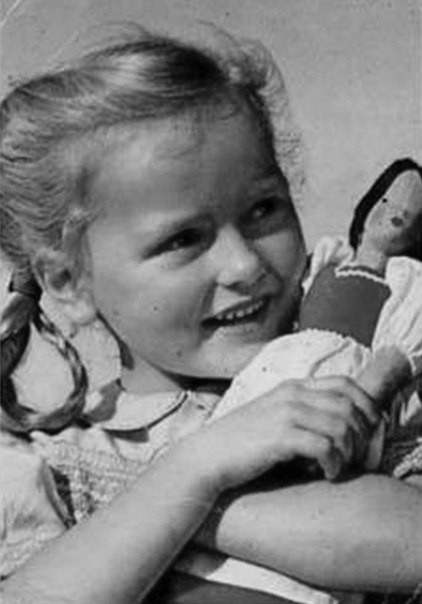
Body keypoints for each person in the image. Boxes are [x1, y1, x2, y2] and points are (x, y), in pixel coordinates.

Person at [0, 28, 421, 604]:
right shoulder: (54, 465)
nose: (244, 264)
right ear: (69, 282)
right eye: (183, 239)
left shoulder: (359, 382)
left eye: (263, 209)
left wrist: (182, 504)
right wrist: (196, 466)